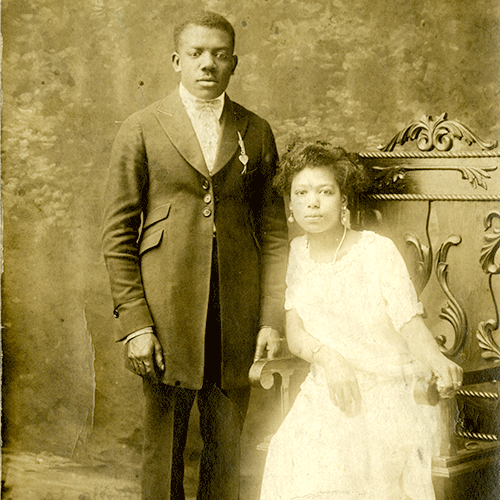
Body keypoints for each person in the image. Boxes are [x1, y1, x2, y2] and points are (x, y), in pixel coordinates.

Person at [101, 11, 288, 500]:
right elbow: (118, 236)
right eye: (198, 54)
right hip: (166, 315)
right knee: (163, 451)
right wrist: (137, 325)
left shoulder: (257, 130)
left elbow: (274, 235)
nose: (208, 64)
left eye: (220, 55)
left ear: (234, 64)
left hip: (237, 314)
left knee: (227, 450)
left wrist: (270, 319)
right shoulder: (141, 127)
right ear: (176, 60)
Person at [259, 141, 463, 500]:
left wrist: (437, 361)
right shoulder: (296, 254)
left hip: (390, 394)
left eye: (325, 192)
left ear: (343, 202)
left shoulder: (376, 250)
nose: (313, 202)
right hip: (328, 391)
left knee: (354, 468)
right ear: (290, 205)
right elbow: (296, 333)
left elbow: (408, 321)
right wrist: (330, 358)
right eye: (301, 193)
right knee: (287, 454)